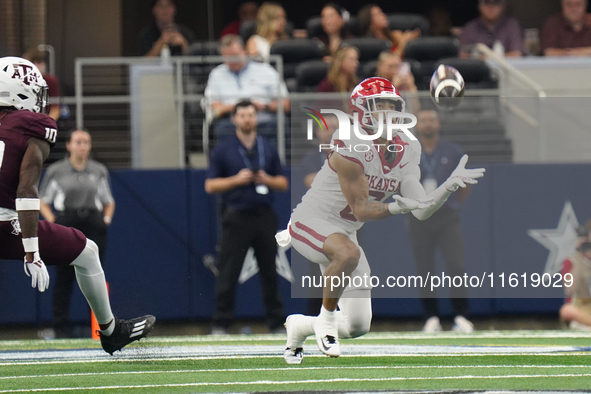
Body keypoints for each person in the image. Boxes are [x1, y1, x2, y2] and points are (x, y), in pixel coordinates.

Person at [278, 77, 485, 364]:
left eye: (392, 106)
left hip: (344, 231)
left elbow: (422, 209)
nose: (387, 113)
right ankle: (325, 320)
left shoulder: (407, 147)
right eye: (380, 106)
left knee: (357, 326)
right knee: (348, 252)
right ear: (361, 110)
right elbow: (361, 208)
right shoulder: (350, 143)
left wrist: (445, 188)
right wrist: (397, 209)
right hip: (310, 221)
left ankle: (301, 326)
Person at [0, 56, 154, 354]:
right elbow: (27, 187)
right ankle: (111, 331)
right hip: (6, 224)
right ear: (19, 91)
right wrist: (31, 251)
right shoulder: (32, 124)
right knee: (87, 251)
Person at [205, 99, 288, 335]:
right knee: (228, 272)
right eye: (242, 115)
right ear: (234, 119)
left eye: (251, 115)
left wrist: (266, 179)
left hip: (264, 215)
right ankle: (221, 324)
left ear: (256, 118)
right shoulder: (224, 149)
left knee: (270, 272)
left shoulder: (267, 146)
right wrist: (236, 180)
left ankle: (275, 323)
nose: (247, 119)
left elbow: (282, 182)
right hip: (236, 216)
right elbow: (210, 185)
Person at [38, 129, 115, 338]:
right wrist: (54, 222)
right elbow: (43, 200)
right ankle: (59, 328)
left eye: (86, 142)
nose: (82, 146)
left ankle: (102, 329)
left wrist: (105, 220)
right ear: (69, 145)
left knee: (95, 276)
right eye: (78, 142)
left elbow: (109, 201)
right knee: (64, 277)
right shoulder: (57, 170)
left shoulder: (98, 170)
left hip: (93, 223)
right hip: (66, 223)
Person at [407, 109, 474, 333]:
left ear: (439, 124)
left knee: (456, 265)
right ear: (417, 126)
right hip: (419, 216)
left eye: (432, 120)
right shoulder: (407, 151)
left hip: (447, 216)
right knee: (424, 268)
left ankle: (462, 316)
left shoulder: (453, 151)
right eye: (423, 120)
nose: (428, 124)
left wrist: (454, 204)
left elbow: (466, 182)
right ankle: (431, 317)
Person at [204, 35, 290, 140]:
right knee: (222, 128)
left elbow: (285, 104)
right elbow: (215, 108)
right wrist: (239, 106)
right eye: (227, 57)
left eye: (235, 55)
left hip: (264, 118)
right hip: (232, 121)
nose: (232, 60)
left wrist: (264, 106)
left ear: (244, 51)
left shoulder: (266, 70)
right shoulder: (216, 74)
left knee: (279, 123)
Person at [22, 48, 60, 121]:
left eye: (39, 62)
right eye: (32, 63)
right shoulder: (20, 82)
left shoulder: (51, 81)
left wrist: (45, 123)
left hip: (44, 121)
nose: (36, 66)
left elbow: (55, 109)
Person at [560, 242, 591, 329]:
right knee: (567, 310)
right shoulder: (573, 261)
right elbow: (571, 288)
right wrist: (579, 259)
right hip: (583, 312)